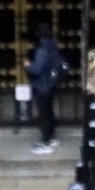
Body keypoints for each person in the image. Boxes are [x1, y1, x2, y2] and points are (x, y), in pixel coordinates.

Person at [26, 21, 65, 153]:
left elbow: (36, 69)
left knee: (43, 114)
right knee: (49, 111)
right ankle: (52, 137)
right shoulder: (54, 46)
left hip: (42, 85)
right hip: (51, 83)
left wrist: (28, 65)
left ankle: (45, 141)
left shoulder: (42, 49)